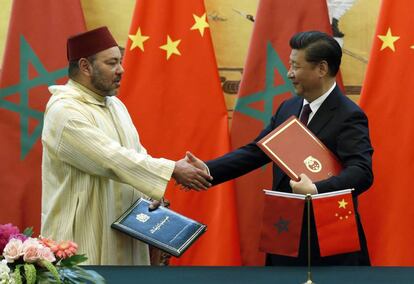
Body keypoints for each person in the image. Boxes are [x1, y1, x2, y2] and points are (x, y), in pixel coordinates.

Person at [187, 31, 373, 266]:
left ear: (322, 69)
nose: (289, 73)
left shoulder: (349, 115)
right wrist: (205, 169)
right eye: (289, 65)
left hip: (329, 233)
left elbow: (362, 172)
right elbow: (256, 152)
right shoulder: (289, 107)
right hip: (284, 228)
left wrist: (316, 189)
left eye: (296, 66)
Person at [41, 26, 212, 265]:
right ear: (85, 67)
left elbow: (135, 155)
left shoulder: (115, 105)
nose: (121, 70)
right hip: (79, 239)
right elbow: (111, 159)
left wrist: (149, 194)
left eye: (120, 61)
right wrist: (173, 169)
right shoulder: (64, 110)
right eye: (111, 63)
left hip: (126, 234)